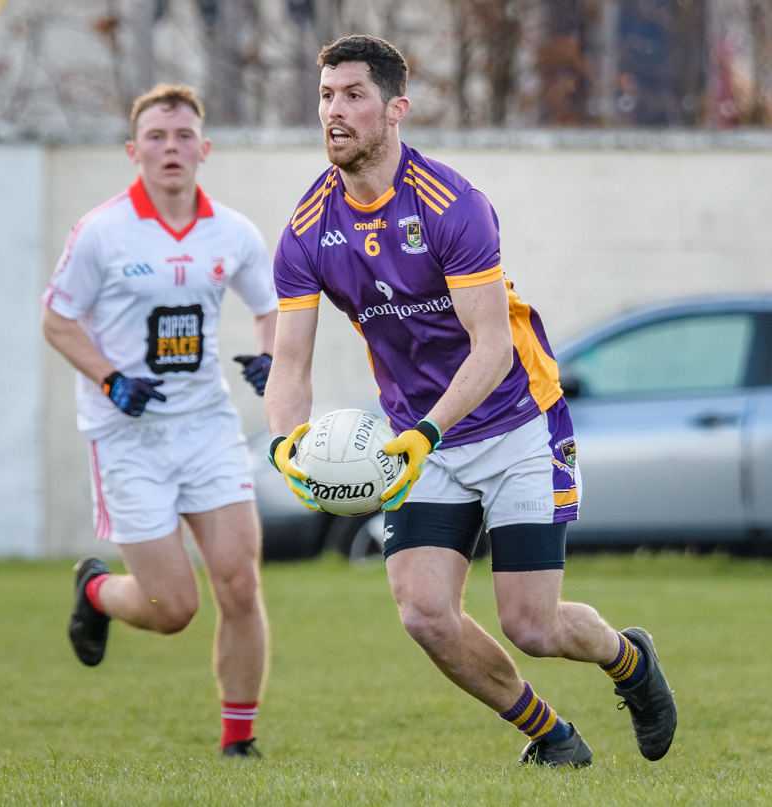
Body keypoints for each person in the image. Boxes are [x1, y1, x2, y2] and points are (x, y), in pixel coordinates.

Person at [264, 36, 676, 768]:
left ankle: (629, 661)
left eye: (353, 95)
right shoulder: (305, 230)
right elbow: (288, 362)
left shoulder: (452, 205)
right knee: (424, 613)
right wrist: (283, 442)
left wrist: (425, 430)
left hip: (516, 420)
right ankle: (551, 736)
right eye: (326, 95)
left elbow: (490, 347)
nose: (334, 111)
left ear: (396, 109)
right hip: (420, 440)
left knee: (533, 624)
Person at [41, 84, 277, 759]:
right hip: (127, 437)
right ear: (133, 150)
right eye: (155, 136)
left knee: (239, 580)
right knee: (173, 609)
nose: (169, 148)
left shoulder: (232, 231)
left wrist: (268, 357)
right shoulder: (100, 231)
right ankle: (95, 588)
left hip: (206, 426)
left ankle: (239, 740)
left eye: (182, 137)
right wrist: (112, 381)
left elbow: (272, 305)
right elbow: (55, 320)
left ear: (203, 149)